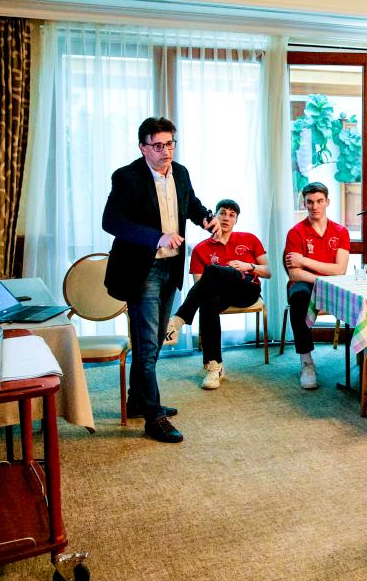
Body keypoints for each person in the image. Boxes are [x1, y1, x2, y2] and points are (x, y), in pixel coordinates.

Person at [102, 116, 214, 444]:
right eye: (158, 145)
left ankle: (138, 401)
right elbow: (112, 221)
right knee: (148, 345)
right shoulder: (127, 177)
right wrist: (156, 238)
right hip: (143, 270)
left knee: (152, 344)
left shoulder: (180, 173)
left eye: (170, 144)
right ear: (143, 147)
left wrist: (205, 218)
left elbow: (190, 204)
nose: (166, 151)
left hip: (171, 269)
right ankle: (154, 417)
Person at [164, 199, 269, 390]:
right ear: (214, 216)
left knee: (212, 270)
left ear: (236, 220)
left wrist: (247, 266)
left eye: (231, 215)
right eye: (222, 213)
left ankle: (178, 320)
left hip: (247, 290)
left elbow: (268, 271)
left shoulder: (249, 239)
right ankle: (215, 366)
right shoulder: (201, 249)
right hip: (220, 295)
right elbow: (200, 287)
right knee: (208, 301)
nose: (226, 218)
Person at [283, 182, 351, 390]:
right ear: (304, 204)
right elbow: (294, 273)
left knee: (358, 297)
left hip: (332, 284)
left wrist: (304, 260)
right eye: (310, 202)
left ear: (327, 202)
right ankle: (307, 362)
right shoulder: (296, 232)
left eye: (319, 201)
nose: (315, 206)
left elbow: (340, 270)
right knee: (298, 297)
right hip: (305, 284)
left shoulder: (340, 231)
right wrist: (321, 277)